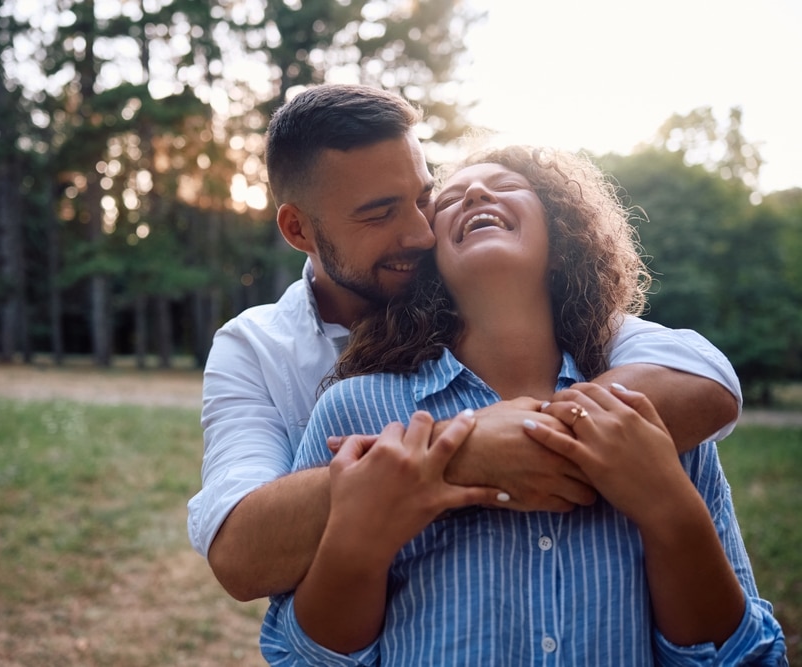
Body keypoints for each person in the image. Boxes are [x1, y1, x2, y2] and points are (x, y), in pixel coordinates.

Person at [187, 84, 742, 602]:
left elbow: (701, 380)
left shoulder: (479, 281)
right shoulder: (255, 348)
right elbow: (241, 552)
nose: (422, 233)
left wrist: (516, 436)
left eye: (424, 198)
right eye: (380, 214)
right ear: (298, 230)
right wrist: (465, 451)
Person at [259, 145, 786, 665]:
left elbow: (738, 656)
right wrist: (358, 545)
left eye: (507, 187)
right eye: (449, 201)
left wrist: (669, 509)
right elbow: (303, 657)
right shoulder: (354, 411)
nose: (478, 192)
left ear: (561, 244)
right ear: (431, 262)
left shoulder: (652, 417)